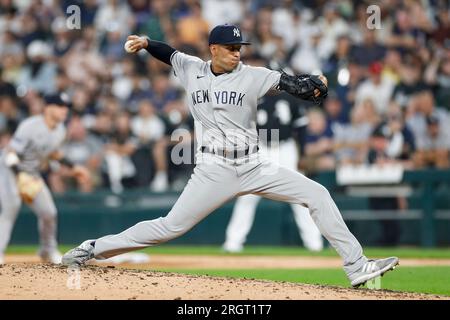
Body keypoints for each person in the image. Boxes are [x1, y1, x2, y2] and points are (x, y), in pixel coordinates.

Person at [62, 24, 398, 287]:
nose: (237, 53)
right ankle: (93, 249)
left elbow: (293, 85)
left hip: (254, 163)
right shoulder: (192, 68)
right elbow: (169, 53)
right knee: (168, 227)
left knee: (317, 194)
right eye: (231, 48)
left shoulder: (254, 75)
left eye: (240, 48)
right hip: (214, 167)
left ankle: (356, 266)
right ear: (214, 49)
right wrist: (148, 43)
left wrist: (315, 86)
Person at [222, 91, 323, 253]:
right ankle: (233, 243)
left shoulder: (290, 98)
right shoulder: (254, 97)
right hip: (261, 148)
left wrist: (302, 152)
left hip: (285, 148)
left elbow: (301, 127)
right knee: (247, 195)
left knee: (300, 196)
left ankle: (314, 243)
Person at [0, 94, 90, 265]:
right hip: (9, 170)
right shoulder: (30, 126)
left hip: (31, 173)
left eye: (66, 106)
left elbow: (53, 153)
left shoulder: (60, 130)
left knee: (49, 212)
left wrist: (73, 167)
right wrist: (20, 176)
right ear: (48, 108)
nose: (65, 110)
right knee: (11, 206)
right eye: (60, 106)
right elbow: (11, 152)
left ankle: (47, 251)